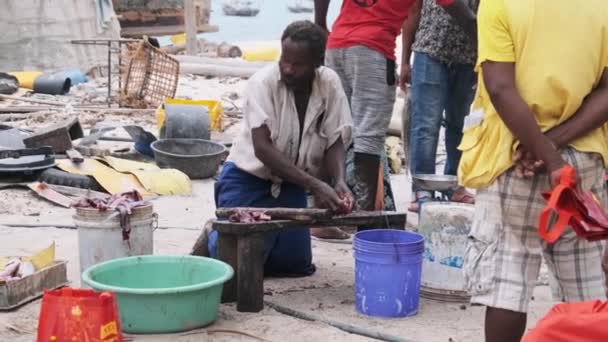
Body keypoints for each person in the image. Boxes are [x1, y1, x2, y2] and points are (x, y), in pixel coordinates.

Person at [458, 0, 608, 341]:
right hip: (582, 162)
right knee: (588, 290)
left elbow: (500, 87)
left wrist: (546, 154)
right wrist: (554, 146)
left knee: (507, 281)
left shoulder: (499, 4)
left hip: (513, 160)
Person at [205, 21, 354, 277]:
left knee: (295, 266)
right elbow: (263, 149)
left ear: (317, 63)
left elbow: (335, 138)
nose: (288, 69)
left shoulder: (328, 83)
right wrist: (316, 185)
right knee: (235, 267)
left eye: (298, 65)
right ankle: (214, 236)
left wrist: (339, 180)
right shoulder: (262, 83)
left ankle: (250, 243)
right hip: (247, 180)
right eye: (285, 60)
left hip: (290, 186)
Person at [314, 0, 476, 223]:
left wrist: (320, 23)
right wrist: (488, 44)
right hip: (372, 49)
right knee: (368, 137)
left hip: (337, 44)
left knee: (333, 130)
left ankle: (323, 216)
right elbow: (459, 11)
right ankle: (366, 220)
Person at [401, 0, 478, 212]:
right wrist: (405, 61)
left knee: (460, 124)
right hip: (430, 52)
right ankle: (422, 190)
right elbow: (413, 11)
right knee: (425, 125)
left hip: (469, 57)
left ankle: (454, 186)